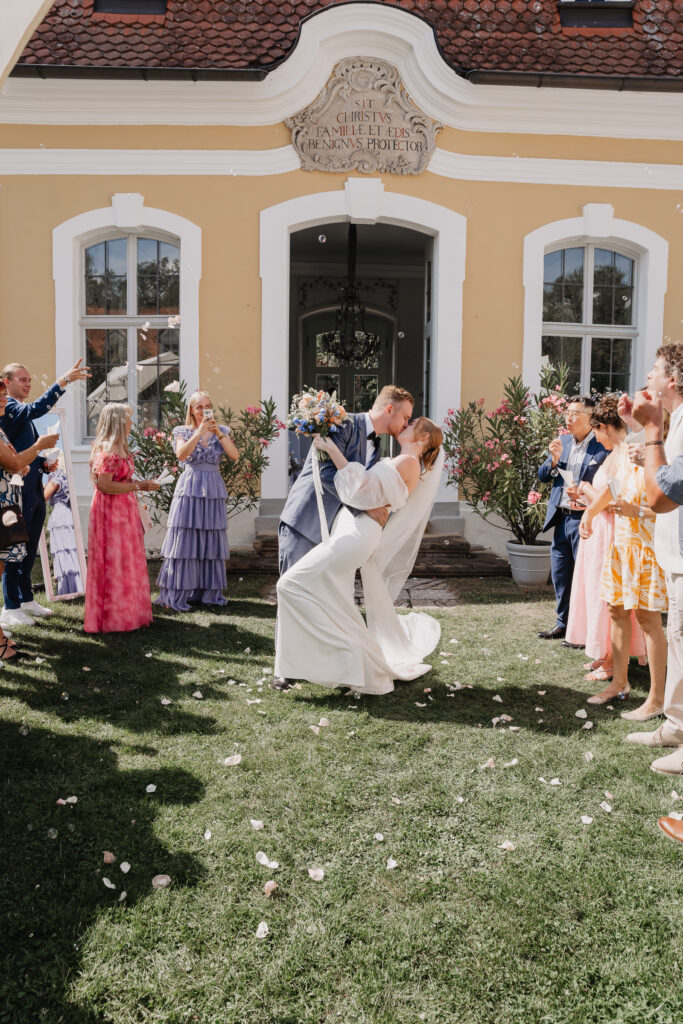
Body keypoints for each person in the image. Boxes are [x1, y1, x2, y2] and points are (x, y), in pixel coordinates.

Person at [275, 417, 444, 695]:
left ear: (423, 438)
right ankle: (344, 665)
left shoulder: (408, 463)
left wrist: (333, 451)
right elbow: (362, 489)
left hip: (357, 533)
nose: (405, 425)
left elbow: (360, 487)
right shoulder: (399, 459)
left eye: (411, 424)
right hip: (351, 527)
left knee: (290, 584)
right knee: (333, 599)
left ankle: (350, 657)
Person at [579, 417, 667, 717]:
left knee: (647, 619)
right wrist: (590, 512)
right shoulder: (629, 445)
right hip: (622, 544)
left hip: (647, 546)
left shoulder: (664, 450)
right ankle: (619, 683)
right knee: (616, 610)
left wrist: (637, 511)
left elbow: (673, 506)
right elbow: (615, 485)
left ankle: (656, 699)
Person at [623, 358, 683, 776]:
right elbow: (659, 478)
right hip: (672, 553)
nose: (647, 378)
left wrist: (650, 432)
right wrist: (643, 434)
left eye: (654, 371)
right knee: (679, 643)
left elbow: (661, 497)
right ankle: (676, 726)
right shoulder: (675, 420)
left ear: (673, 380)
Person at [0, 359, 90, 627]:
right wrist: (65, 380)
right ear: (6, 383)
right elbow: (38, 409)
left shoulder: (17, 411)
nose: (28, 384)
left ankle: (26, 599)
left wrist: (42, 462)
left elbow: (21, 448)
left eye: (29, 380)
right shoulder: (12, 408)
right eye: (22, 380)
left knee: (29, 547)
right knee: (15, 545)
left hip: (34, 486)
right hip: (17, 491)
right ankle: (10, 605)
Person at [565, 395, 646, 686]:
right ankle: (604, 653)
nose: (596, 439)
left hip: (611, 532)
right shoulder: (615, 453)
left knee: (609, 598)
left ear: (604, 427)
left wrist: (588, 501)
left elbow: (613, 493)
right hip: (600, 531)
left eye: (597, 431)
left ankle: (613, 661)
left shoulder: (623, 451)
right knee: (597, 594)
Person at [156, 390, 238, 611]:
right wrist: (198, 432)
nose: (203, 411)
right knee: (185, 538)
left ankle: (207, 592)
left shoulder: (222, 431)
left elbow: (234, 455)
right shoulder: (181, 431)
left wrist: (218, 434)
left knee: (210, 537)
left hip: (212, 487)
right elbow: (181, 455)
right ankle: (179, 591)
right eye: (199, 407)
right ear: (191, 410)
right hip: (190, 486)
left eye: (207, 406)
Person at [84, 403, 160, 634]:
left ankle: (128, 612)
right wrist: (141, 485)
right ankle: (113, 616)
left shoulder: (120, 447)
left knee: (126, 559)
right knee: (114, 560)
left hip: (124, 510)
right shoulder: (108, 449)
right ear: (117, 422)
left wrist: (138, 487)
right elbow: (104, 485)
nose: (131, 423)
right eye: (127, 419)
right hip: (111, 512)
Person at [537, 397, 608, 640]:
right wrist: (554, 460)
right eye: (567, 412)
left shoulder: (602, 445)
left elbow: (607, 485)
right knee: (561, 574)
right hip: (562, 517)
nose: (569, 417)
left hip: (585, 519)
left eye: (575, 413)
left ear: (590, 417)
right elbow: (543, 475)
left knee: (586, 575)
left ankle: (587, 628)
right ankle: (563, 623)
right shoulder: (563, 442)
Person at [0, 379, 59, 659]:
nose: (3, 401)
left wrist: (38, 462)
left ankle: (18, 607)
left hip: (17, 497)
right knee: (6, 559)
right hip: (6, 502)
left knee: (19, 554)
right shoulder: (7, 419)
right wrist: (39, 445)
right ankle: (8, 614)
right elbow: (12, 461)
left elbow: (16, 460)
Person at [43, 451, 83, 596]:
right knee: (69, 551)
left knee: (63, 552)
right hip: (66, 514)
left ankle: (69, 589)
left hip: (60, 517)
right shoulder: (65, 476)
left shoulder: (56, 475)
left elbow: (44, 496)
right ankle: (74, 587)